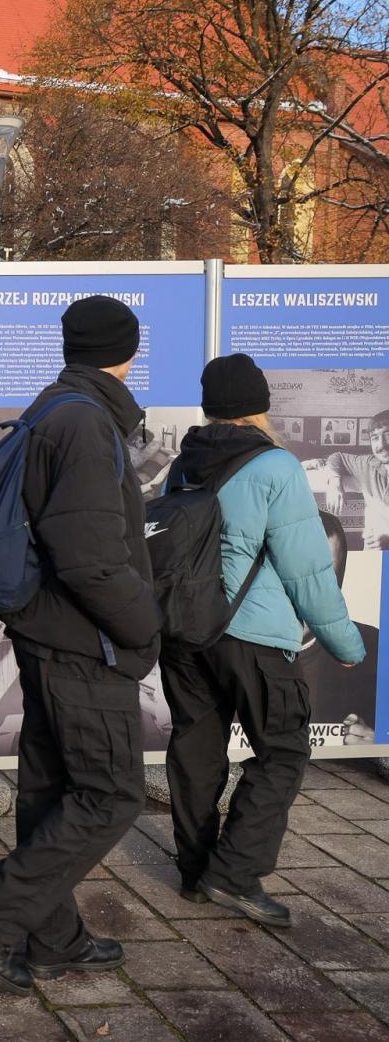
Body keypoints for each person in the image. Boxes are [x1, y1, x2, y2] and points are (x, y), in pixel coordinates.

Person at [0, 296, 160, 994]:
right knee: (109, 793)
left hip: (45, 632)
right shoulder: (86, 424)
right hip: (82, 641)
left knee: (49, 788)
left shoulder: (51, 408)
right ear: (127, 352)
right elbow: (92, 558)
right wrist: (141, 627)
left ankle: (53, 938)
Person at [161, 354, 365, 929]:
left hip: (185, 630)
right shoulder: (275, 466)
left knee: (196, 750)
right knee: (282, 752)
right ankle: (234, 875)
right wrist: (344, 644)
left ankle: (196, 870)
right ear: (259, 405)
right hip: (251, 635)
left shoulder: (185, 464)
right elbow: (308, 571)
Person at [303, 511, 378, 743]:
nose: (308, 594)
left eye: (326, 579)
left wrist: (377, 748)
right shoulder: (228, 653)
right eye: (298, 575)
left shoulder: (375, 649)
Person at [324, 409, 389, 548]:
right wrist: (334, 482)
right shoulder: (369, 464)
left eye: (388, 435)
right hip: (373, 559)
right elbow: (337, 457)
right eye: (375, 438)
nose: (382, 445)